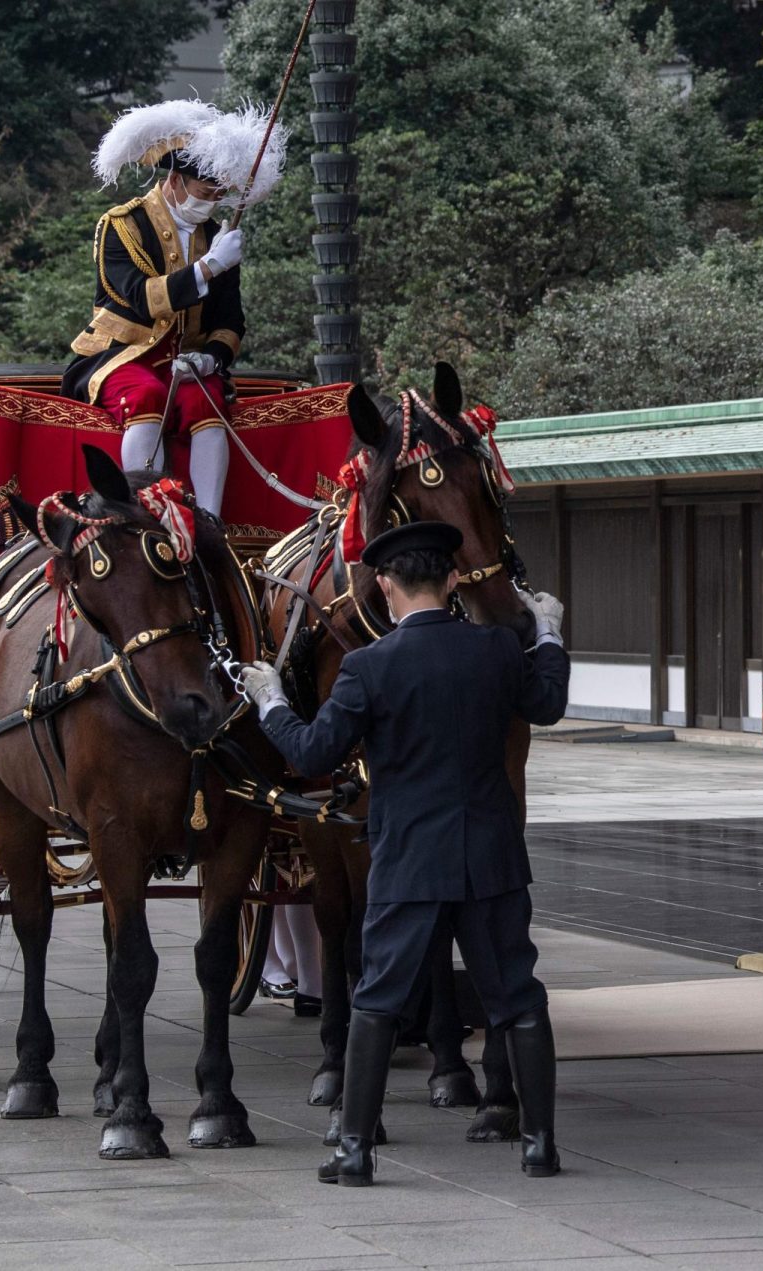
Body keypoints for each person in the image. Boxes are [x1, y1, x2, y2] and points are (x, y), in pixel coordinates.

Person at [239, 522, 570, 1185]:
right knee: (517, 998)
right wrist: (551, 630)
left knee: (379, 998)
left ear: (386, 587)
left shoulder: (368, 666)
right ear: (451, 581)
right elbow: (549, 702)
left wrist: (270, 701)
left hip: (408, 860)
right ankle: (539, 1145)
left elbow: (310, 752)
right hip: (490, 856)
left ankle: (355, 1150)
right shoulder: (499, 651)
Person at [64, 101, 279, 517]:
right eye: (204, 194)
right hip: (122, 355)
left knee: (208, 399)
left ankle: (211, 520)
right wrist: (210, 266)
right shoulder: (121, 225)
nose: (211, 204)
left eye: (219, 197)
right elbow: (142, 297)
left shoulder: (217, 234)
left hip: (186, 363)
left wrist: (210, 359)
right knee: (147, 395)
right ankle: (139, 513)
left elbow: (230, 322)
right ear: (177, 180)